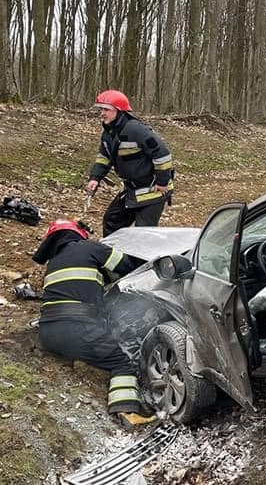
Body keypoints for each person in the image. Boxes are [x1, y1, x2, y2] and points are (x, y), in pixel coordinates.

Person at [33, 219, 151, 425]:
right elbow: (127, 265)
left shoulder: (54, 263)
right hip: (78, 329)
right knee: (122, 362)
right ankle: (126, 412)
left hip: (48, 332)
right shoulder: (89, 248)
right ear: (78, 234)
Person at [85, 89, 174, 236]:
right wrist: (95, 178)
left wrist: (162, 182)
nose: (102, 113)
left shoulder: (137, 130)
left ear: (119, 111)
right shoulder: (109, 132)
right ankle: (115, 256)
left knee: (144, 233)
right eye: (101, 109)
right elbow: (104, 157)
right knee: (111, 221)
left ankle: (142, 259)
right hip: (131, 190)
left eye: (106, 109)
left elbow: (162, 154)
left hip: (153, 190)